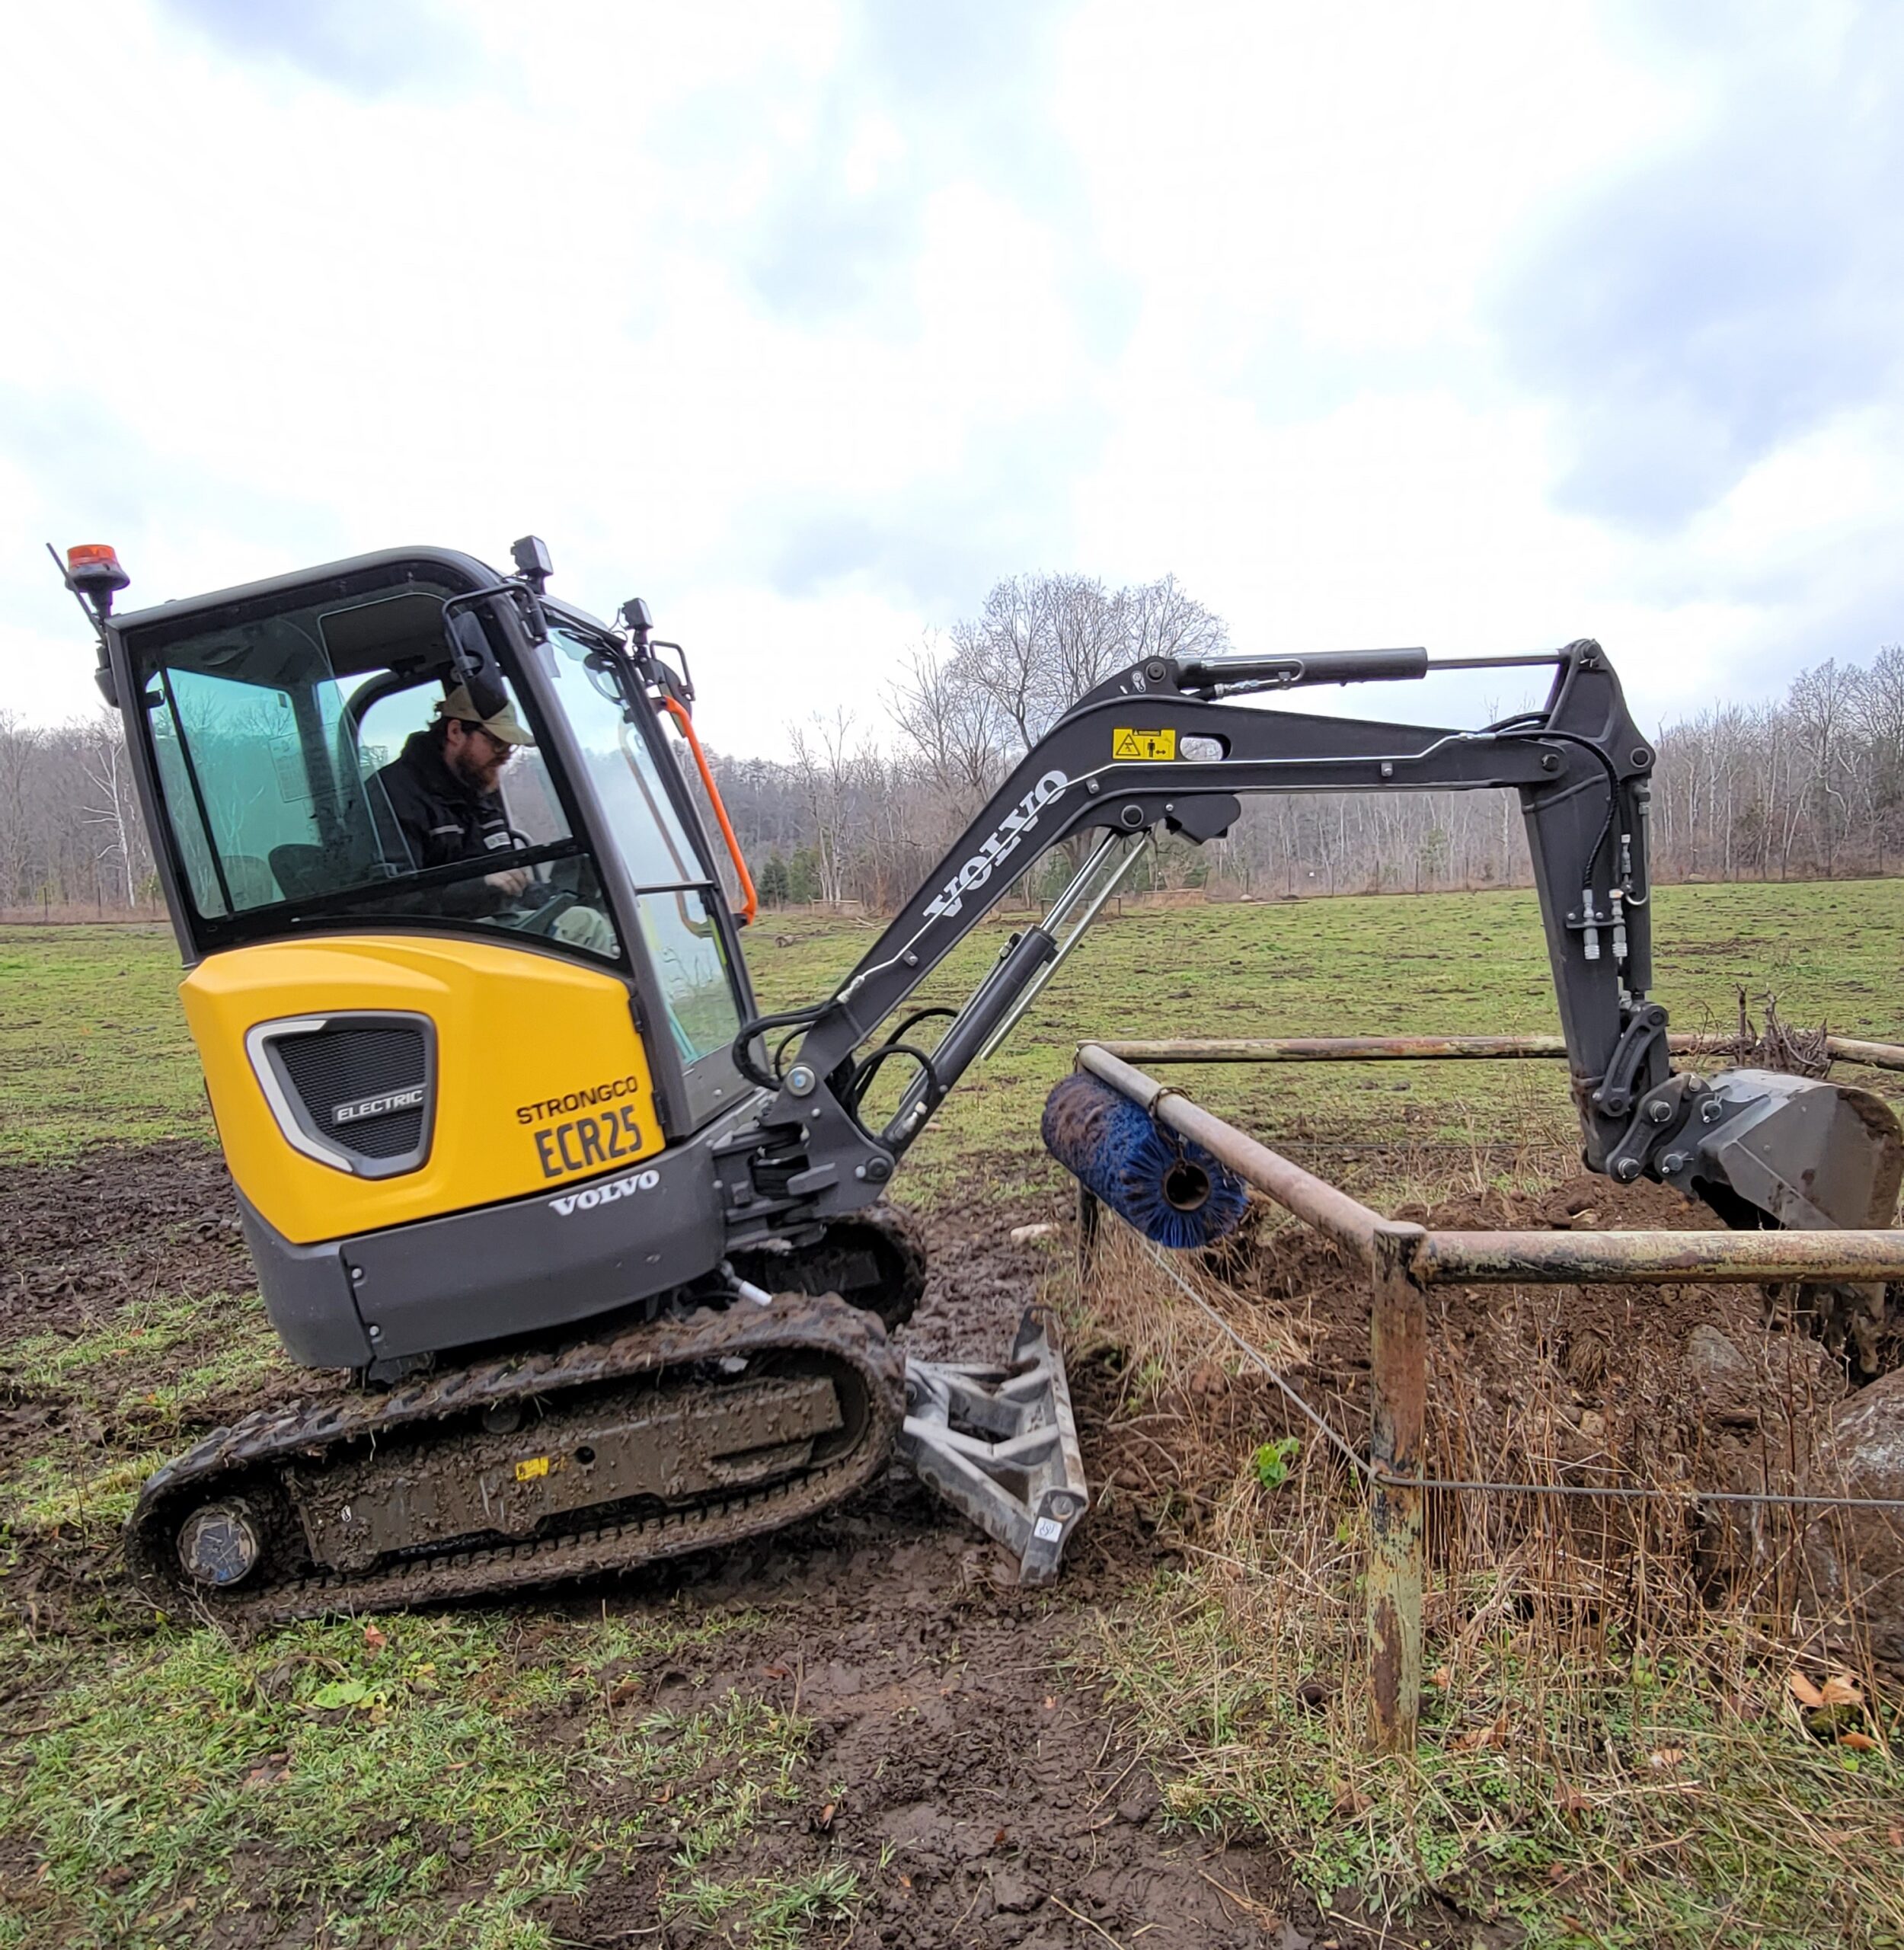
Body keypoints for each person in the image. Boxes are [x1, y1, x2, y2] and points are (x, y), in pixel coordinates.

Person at [369, 685, 618, 954]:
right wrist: (478, 886)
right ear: (455, 732)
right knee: (587, 929)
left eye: (509, 748)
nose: (504, 756)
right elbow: (384, 901)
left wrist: (555, 896)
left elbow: (506, 884)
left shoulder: (477, 791)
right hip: (431, 942)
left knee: (595, 922)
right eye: (497, 743)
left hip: (486, 928)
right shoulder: (393, 794)